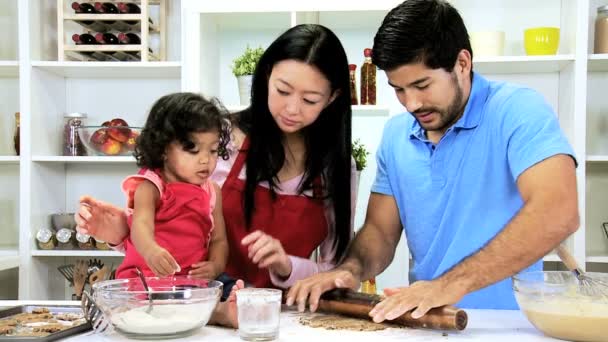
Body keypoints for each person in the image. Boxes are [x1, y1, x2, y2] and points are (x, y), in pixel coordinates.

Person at [287, 0, 579, 322]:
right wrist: (349, 270)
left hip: (509, 325)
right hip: (428, 323)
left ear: (463, 63)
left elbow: (558, 213)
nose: (411, 103)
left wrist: (449, 284)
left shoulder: (518, 111)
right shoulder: (397, 134)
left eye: (422, 85)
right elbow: (380, 233)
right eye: (398, 89)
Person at [75, 24, 356, 325]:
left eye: (310, 99)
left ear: (332, 98)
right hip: (197, 312)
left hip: (280, 320)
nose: (291, 108)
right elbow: (172, 223)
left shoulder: (337, 168)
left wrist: (288, 266)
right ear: (265, 77)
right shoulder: (217, 140)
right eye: (282, 90)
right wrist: (120, 232)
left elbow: (333, 271)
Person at [111, 92, 230, 281]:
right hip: (145, 280)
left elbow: (219, 240)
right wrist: (151, 252)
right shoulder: (151, 187)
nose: (206, 159)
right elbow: (141, 226)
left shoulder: (211, 191)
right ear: (164, 149)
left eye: (213, 150)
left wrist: (215, 266)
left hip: (190, 287)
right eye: (193, 150)